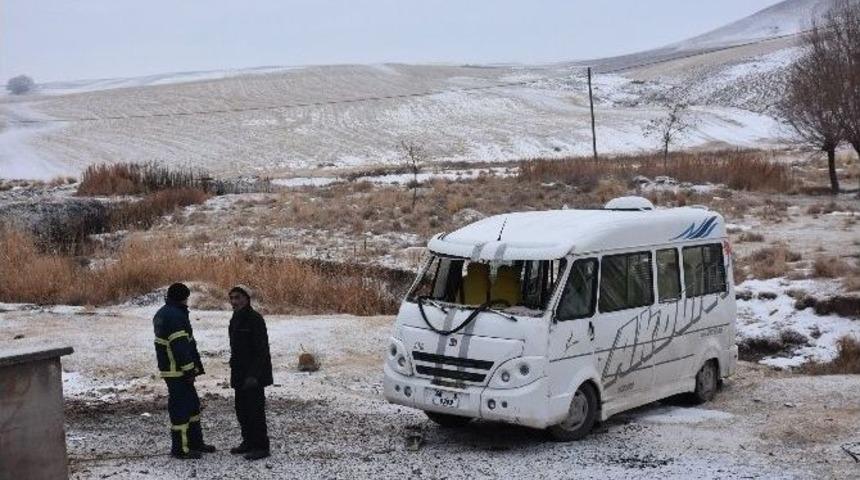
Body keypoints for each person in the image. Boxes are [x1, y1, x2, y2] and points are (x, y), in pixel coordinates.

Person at [152, 282, 216, 459]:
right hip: (177, 370)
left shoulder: (164, 312)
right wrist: (189, 371)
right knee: (181, 408)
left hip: (172, 369)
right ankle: (181, 449)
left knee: (192, 405)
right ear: (184, 298)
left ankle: (196, 443)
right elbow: (180, 346)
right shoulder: (175, 316)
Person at [227, 285, 273, 461]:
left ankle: (261, 446)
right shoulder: (235, 318)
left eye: (238, 297)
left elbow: (262, 350)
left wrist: (254, 375)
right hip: (239, 372)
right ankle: (248, 441)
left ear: (247, 298)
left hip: (254, 374)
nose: (234, 301)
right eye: (232, 298)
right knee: (241, 409)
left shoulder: (255, 319)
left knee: (255, 411)